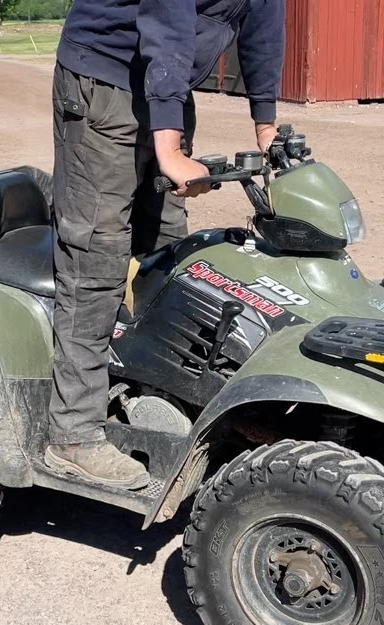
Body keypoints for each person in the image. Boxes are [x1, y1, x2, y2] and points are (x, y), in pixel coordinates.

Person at [44, 0, 285, 488]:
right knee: (97, 256)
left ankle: (158, 400)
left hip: (165, 83)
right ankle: (72, 433)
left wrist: (266, 126)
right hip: (104, 77)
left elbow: (264, 18)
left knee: (171, 251)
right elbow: (168, 20)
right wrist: (169, 148)